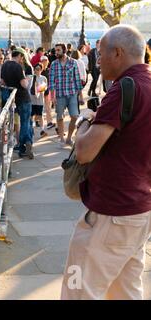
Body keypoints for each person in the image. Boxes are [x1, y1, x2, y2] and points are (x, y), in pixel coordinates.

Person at [61, 24, 151, 300]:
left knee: (78, 291)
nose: (97, 61)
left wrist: (87, 120)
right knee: (125, 292)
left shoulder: (124, 88)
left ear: (118, 53)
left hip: (110, 211)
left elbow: (85, 151)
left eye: (100, 54)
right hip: (139, 210)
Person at [1, 47, 34, 159]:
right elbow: (24, 84)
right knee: (26, 122)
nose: (22, 60)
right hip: (24, 97)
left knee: (23, 121)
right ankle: (24, 145)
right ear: (19, 56)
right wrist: (27, 80)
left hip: (13, 98)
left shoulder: (5, 65)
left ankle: (26, 142)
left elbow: (2, 82)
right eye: (22, 57)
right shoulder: (18, 67)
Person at [49, 43, 83, 147]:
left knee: (75, 116)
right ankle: (62, 139)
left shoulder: (73, 62)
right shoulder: (54, 64)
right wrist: (52, 97)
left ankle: (69, 138)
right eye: (55, 51)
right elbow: (51, 82)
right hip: (59, 95)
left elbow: (77, 80)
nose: (56, 52)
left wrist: (81, 96)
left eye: (58, 50)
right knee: (60, 117)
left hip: (72, 94)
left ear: (64, 50)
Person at [28, 63, 48, 137]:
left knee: (40, 116)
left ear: (41, 70)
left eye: (39, 69)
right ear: (34, 70)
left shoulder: (44, 78)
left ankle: (42, 130)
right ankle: (31, 130)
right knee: (31, 116)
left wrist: (39, 88)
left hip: (40, 100)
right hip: (32, 100)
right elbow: (28, 88)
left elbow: (45, 88)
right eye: (36, 69)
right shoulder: (30, 77)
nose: (37, 71)